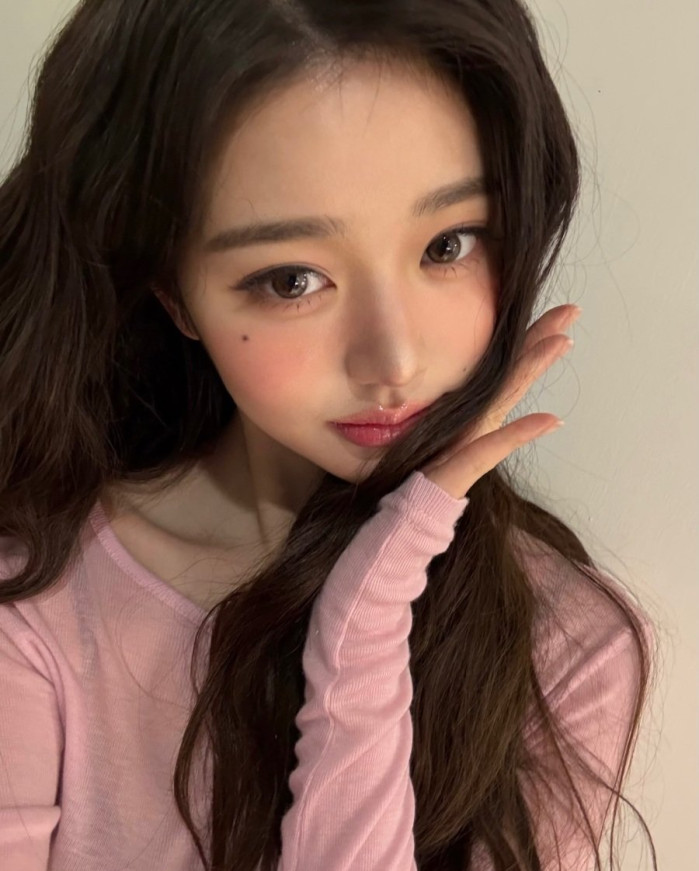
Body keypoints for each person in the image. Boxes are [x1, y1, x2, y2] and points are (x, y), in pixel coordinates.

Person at [0, 1, 659, 869]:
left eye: (447, 245)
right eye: (291, 279)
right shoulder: (37, 599)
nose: (392, 358)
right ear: (173, 293)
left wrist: (368, 616)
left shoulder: (563, 642)